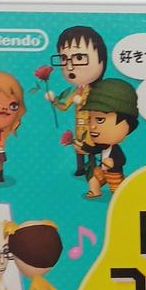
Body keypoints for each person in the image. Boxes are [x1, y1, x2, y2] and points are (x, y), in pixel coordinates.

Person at [45, 25, 107, 177]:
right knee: (79, 148)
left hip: (94, 128)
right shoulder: (76, 90)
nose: (70, 67)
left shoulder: (99, 90)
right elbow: (65, 106)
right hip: (79, 129)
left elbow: (102, 109)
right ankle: (81, 168)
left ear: (101, 59)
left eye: (79, 58)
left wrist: (84, 103)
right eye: (64, 59)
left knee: (92, 148)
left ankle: (95, 169)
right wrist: (54, 101)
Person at [79, 78, 139, 199]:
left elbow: (121, 160)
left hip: (113, 173)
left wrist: (113, 163)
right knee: (93, 178)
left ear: (127, 126)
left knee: (117, 191)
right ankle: (95, 191)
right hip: (102, 171)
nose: (92, 126)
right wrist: (82, 147)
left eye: (100, 120)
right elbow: (93, 149)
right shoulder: (102, 145)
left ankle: (124, 190)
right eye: (90, 120)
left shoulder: (116, 149)